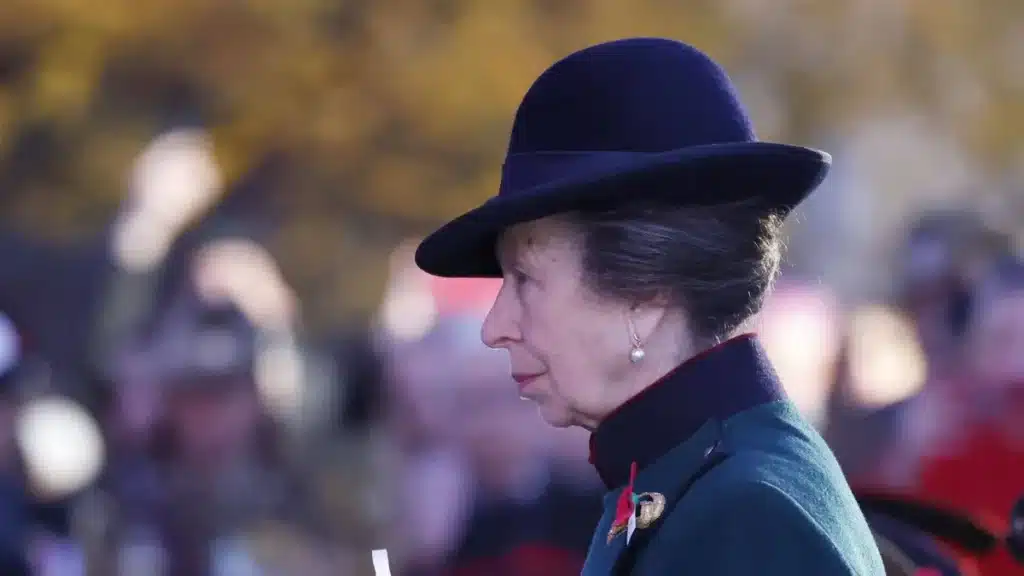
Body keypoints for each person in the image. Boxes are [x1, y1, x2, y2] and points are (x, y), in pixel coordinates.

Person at [413, 38, 885, 575]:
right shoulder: (685, 479)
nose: (494, 328)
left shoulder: (743, 510)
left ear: (647, 291)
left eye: (526, 279)